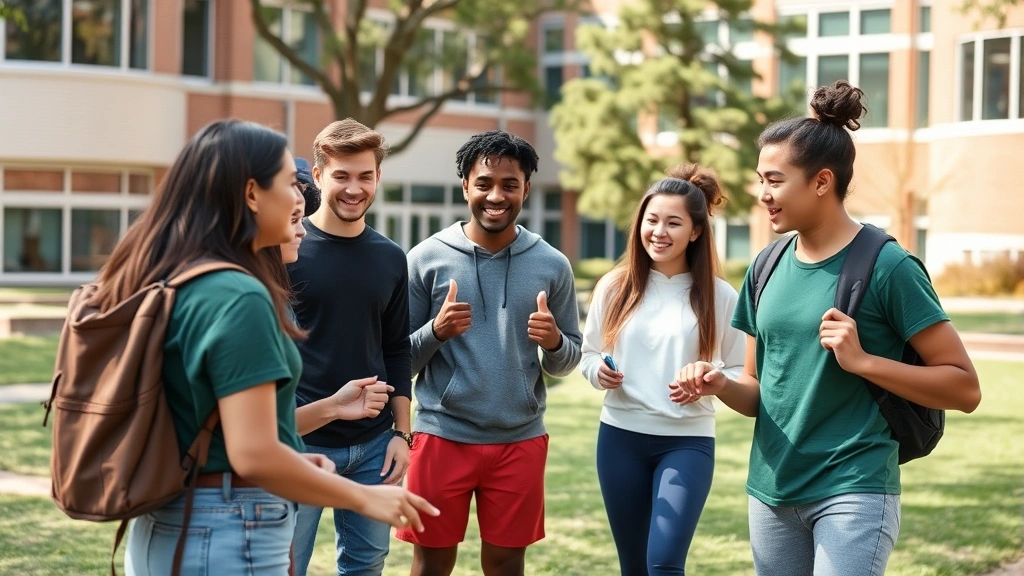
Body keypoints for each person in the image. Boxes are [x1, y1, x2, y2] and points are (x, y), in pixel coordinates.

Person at [97, 120, 436, 575]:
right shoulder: (242, 298)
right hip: (221, 525)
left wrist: (345, 424)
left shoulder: (193, 277)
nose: (300, 197)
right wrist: (362, 495)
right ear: (253, 195)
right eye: (288, 182)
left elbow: (218, 426)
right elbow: (254, 451)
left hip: (177, 520)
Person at [674, 81, 982, 576]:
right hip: (772, 491)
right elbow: (757, 392)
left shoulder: (889, 266)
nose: (762, 195)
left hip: (854, 488)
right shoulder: (766, 266)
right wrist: (721, 384)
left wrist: (863, 362)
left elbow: (965, 388)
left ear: (821, 182)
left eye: (774, 181)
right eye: (760, 180)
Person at [397, 130, 583, 576]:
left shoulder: (552, 264)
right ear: (465, 187)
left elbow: (569, 360)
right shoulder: (426, 259)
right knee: (431, 564)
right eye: (484, 184)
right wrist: (436, 331)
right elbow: (399, 359)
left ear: (526, 189)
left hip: (519, 438)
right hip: (441, 434)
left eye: (509, 185)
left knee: (505, 564)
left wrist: (554, 341)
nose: (496, 196)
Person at [580, 165, 746, 575]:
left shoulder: (721, 296)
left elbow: (742, 369)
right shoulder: (614, 287)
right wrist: (598, 372)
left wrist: (712, 380)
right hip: (619, 438)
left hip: (686, 442)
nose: (659, 231)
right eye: (651, 220)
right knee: (633, 566)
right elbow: (588, 355)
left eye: (673, 222)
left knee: (664, 563)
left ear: (695, 231)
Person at [288, 120, 414, 576]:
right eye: (342, 175)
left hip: (374, 446)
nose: (353, 188)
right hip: (298, 444)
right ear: (319, 177)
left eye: (365, 176)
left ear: (378, 178)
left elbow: (397, 348)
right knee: (284, 566)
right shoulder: (286, 249)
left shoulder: (390, 257)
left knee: (366, 567)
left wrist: (402, 434)